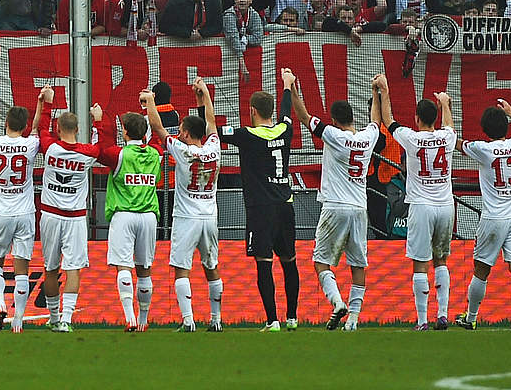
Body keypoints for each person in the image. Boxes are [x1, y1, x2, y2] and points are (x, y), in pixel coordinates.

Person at [291, 71, 384, 331]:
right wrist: (377, 92)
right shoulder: (368, 137)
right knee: (358, 265)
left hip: (334, 206)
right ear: (353, 117)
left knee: (321, 261)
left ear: (334, 120)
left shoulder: (333, 135)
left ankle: (337, 302)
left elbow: (303, 117)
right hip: (359, 208)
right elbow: (376, 120)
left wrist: (292, 89)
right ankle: (353, 319)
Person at [219, 80, 299, 332]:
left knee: (264, 263)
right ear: (271, 111)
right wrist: (287, 86)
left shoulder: (247, 135)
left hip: (261, 208)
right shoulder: (284, 130)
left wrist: (204, 104)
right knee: (289, 261)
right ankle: (293, 317)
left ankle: (272, 320)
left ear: (252, 110)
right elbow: (287, 112)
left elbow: (214, 131)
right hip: (285, 205)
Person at [146, 78, 223, 332]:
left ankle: (188, 321)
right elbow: (210, 122)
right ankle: (216, 320)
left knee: (181, 269)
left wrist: (150, 102)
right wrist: (205, 95)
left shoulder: (182, 149)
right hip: (210, 217)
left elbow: (158, 128)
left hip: (186, 217)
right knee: (211, 267)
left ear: (187, 133)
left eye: (181, 129)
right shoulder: (214, 147)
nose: (178, 132)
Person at [376, 84, 455, 330]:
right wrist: (445, 103)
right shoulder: (447, 137)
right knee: (441, 260)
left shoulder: (411, 138)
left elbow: (388, 121)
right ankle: (442, 315)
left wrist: (386, 91)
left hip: (421, 206)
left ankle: (422, 320)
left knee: (420, 263)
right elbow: (450, 125)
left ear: (417, 118)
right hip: (445, 205)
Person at [455, 99, 511, 330]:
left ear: (484, 130)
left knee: (481, 270)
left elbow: (456, 144)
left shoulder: (483, 149)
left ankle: (471, 318)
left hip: (493, 218)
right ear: (506, 125)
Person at [0, 87, 50, 332]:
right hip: (25, 213)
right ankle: (18, 320)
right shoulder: (30, 144)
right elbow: (38, 130)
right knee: (22, 268)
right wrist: (41, 104)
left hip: (0, 213)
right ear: (24, 125)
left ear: (6, 122)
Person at [37, 103, 106, 332]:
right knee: (73, 267)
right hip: (75, 218)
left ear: (58, 129)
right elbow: (102, 146)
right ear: (77, 129)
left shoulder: (51, 148)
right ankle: (66, 319)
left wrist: (45, 103)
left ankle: (54, 317)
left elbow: (41, 131)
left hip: (50, 215)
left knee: (50, 268)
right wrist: (98, 119)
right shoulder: (87, 153)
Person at [104, 94, 166, 332]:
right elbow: (156, 128)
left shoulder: (119, 154)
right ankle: (142, 320)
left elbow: (102, 149)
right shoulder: (155, 153)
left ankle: (129, 318)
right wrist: (150, 102)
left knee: (123, 266)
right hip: (149, 217)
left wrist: (99, 121)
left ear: (125, 133)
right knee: (145, 268)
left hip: (124, 215)